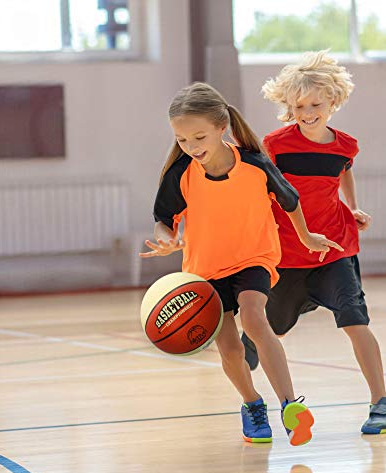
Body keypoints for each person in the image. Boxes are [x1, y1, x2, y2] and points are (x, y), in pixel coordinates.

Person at [140, 82, 343, 445]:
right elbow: (163, 218)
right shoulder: (181, 173)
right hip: (205, 270)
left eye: (199, 136)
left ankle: (289, 405)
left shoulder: (254, 164)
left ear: (222, 128)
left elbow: (289, 201)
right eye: (182, 140)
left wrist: (307, 236)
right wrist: (168, 239)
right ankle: (251, 404)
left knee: (253, 316)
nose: (191, 147)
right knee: (230, 348)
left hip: (254, 258)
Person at [240, 50, 386, 434]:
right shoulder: (274, 144)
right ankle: (250, 398)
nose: (307, 112)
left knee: (356, 323)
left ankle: (380, 403)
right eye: (299, 105)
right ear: (289, 107)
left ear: (333, 102)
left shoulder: (346, 145)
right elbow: (260, 190)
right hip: (286, 256)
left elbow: (344, 173)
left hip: (335, 251)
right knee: (265, 337)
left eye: (315, 104)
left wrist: (352, 208)